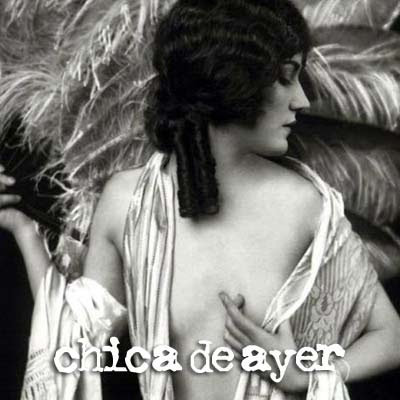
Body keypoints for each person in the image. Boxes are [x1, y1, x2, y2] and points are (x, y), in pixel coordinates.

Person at [0, 0, 400, 399]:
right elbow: (76, 340)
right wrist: (24, 229)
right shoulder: (128, 202)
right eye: (284, 78)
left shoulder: (305, 204)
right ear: (231, 81)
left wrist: (306, 375)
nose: (302, 100)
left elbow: (391, 337)